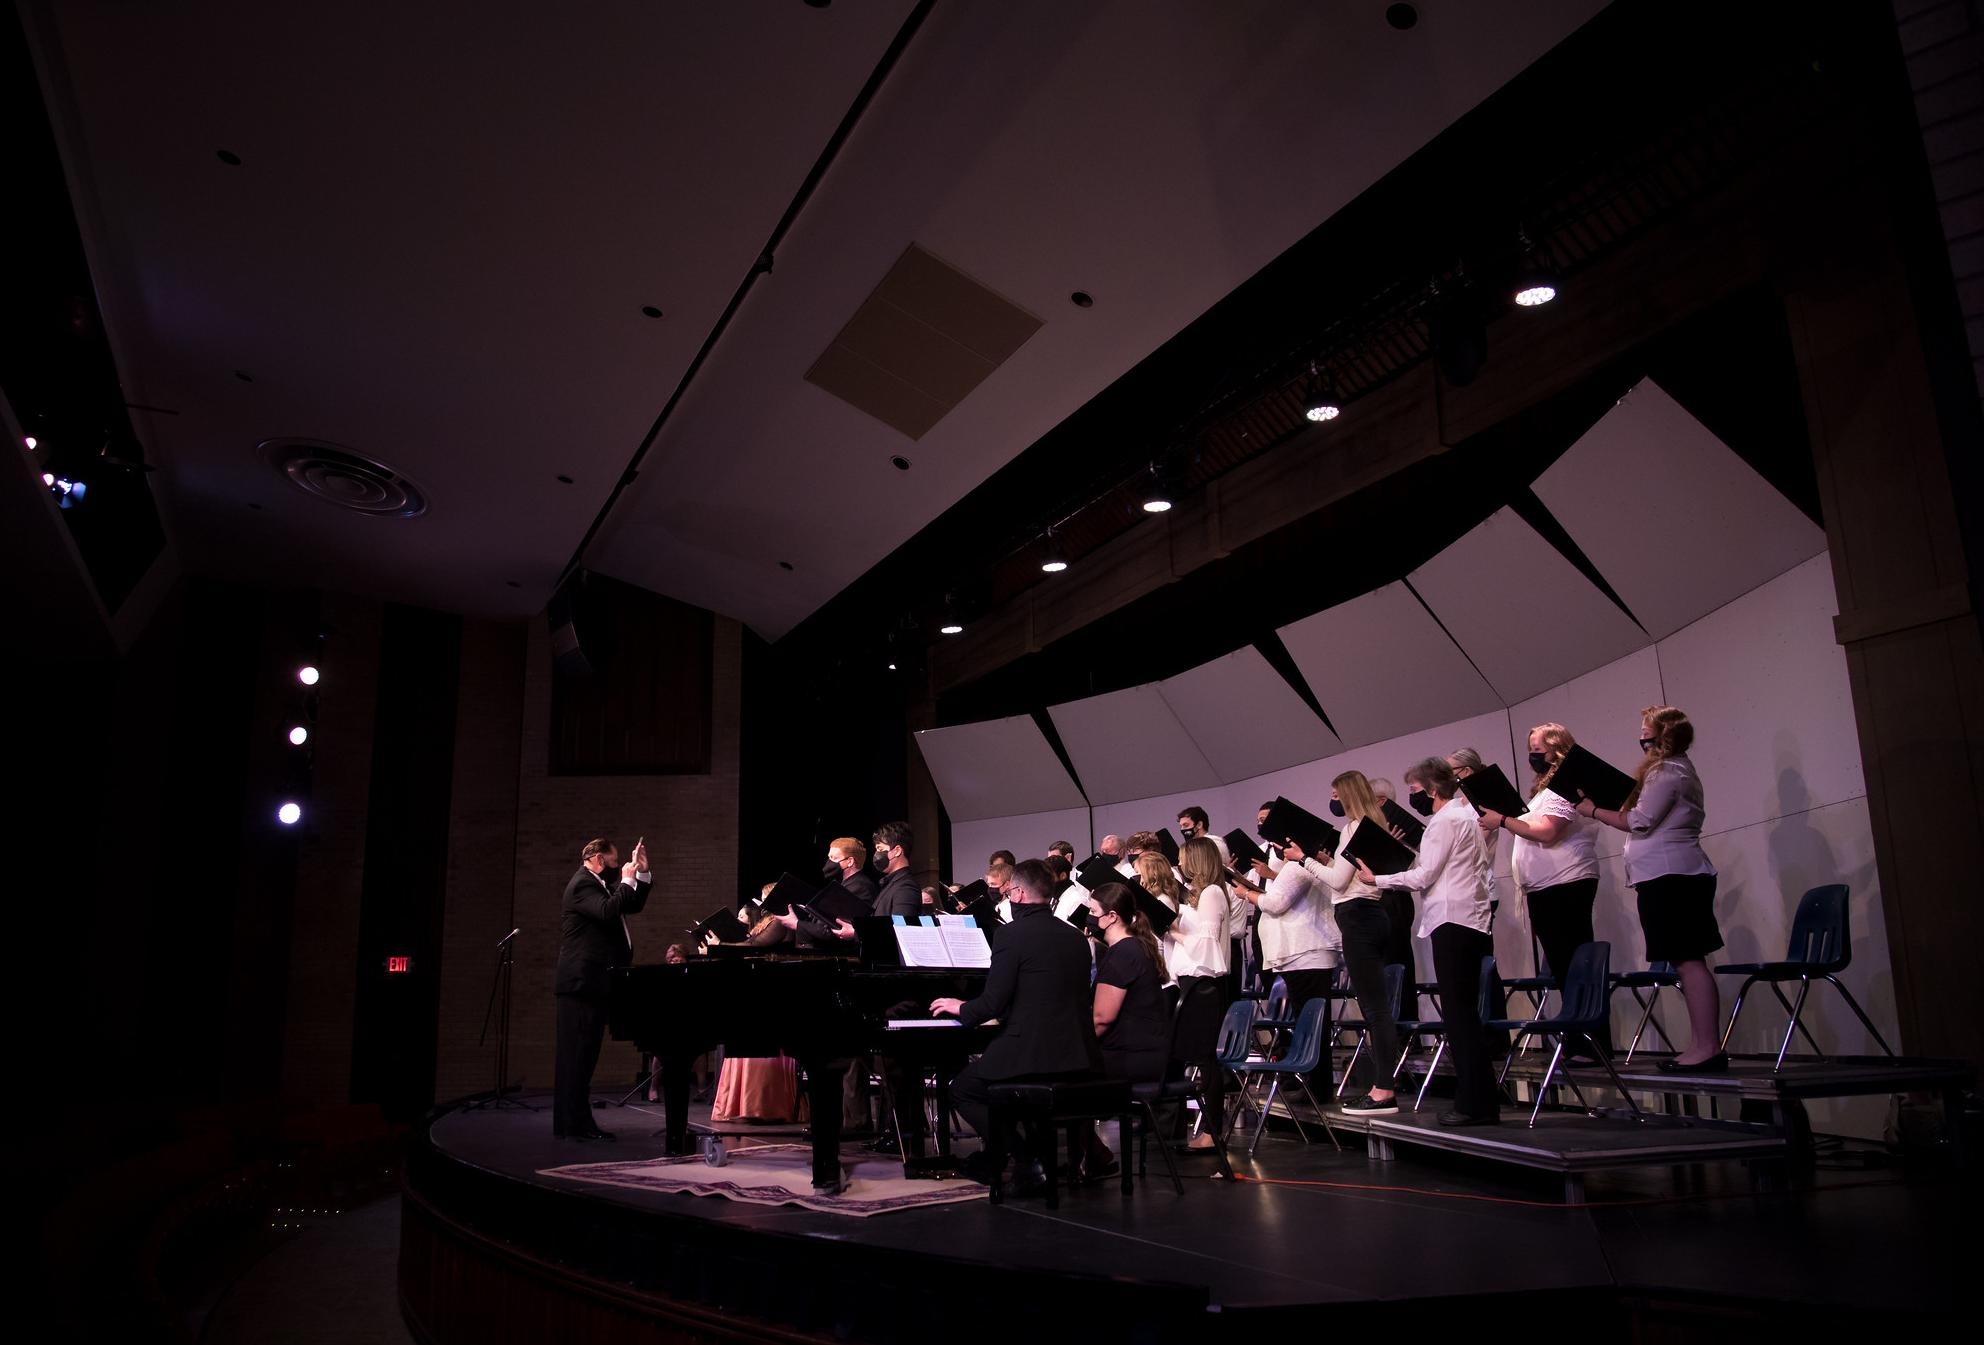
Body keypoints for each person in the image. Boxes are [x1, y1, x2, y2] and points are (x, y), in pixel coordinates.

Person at [931, 859, 1102, 1187]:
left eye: (1009, 893)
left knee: (963, 1090)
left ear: (1020, 893)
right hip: (1076, 1054)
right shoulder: (1076, 938)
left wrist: (961, 1007)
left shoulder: (1011, 935)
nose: (1008, 898)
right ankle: (1021, 1156)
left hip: (1030, 1052)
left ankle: (1026, 1157)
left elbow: (993, 1003)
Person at [1579, 706, 1726, 1071]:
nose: (1641, 737)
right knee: (1686, 960)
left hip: (1673, 877)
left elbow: (1641, 821)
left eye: (1646, 731)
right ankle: (1702, 1044)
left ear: (1662, 737)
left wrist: (1593, 810)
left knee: (1689, 960)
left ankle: (1706, 1046)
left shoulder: (1666, 772)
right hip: (1670, 875)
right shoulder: (1673, 770)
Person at [1356, 758, 1497, 1126]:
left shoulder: (1446, 820)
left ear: (1432, 791)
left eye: (1415, 792)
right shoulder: (1465, 817)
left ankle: (1474, 1105)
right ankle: (1479, 1101)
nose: (1413, 798)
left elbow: (1425, 875)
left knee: (1459, 1014)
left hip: (1453, 918)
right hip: (1470, 917)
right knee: (1463, 1013)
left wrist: (1379, 879)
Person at [1287, 772, 1400, 1115]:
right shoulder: (1374, 822)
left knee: (1375, 1009)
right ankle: (1383, 1086)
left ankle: (1384, 1090)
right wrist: (1326, 863)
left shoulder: (1354, 827)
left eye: (1335, 794)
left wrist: (1302, 859)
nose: (1333, 800)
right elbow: (1345, 877)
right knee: (1375, 1007)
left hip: (1359, 918)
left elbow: (1338, 883)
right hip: (1371, 914)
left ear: (1347, 794)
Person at [1474, 725, 1599, 990]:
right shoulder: (1544, 791)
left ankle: (1586, 1028)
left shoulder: (1566, 784)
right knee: (1563, 969)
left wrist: (1504, 820)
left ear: (1556, 751)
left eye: (1538, 750)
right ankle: (1575, 1027)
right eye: (1530, 750)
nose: (1532, 756)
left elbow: (1548, 832)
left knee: (1573, 968)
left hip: (1565, 886)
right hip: (1546, 889)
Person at [553, 837, 651, 1141]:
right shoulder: (583, 884)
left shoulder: (597, 884)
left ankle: (575, 1124)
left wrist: (642, 875)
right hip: (580, 983)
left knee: (584, 1056)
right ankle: (574, 1125)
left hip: (592, 983)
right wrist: (625, 878)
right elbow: (609, 911)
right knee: (577, 1056)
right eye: (612, 861)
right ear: (596, 859)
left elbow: (628, 904)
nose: (615, 866)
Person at [1079, 882, 1172, 1178]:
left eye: (1094, 912)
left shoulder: (1122, 954)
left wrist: (1072, 1045)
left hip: (1132, 1057)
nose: (1089, 917)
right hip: (1147, 1052)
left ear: (1113, 916)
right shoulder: (1136, 947)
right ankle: (1094, 1154)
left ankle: (1092, 1155)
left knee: (1060, 1074)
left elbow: (1102, 1018)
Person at [1167, 837, 1232, 1152]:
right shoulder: (1198, 893)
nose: (1180, 863)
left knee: (1206, 1059)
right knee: (1197, 1056)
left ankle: (1212, 1130)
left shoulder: (1213, 892)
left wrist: (1173, 932)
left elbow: (1206, 940)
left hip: (1204, 982)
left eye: (1183, 858)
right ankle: (1206, 1129)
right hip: (1191, 979)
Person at [1446, 747, 1502, 915]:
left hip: (1480, 890)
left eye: (1450, 772)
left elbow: (1476, 842)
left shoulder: (1486, 800)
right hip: (1456, 890)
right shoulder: (1454, 803)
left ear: (1466, 771)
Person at [871, 821, 921, 920]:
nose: (876, 854)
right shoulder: (892, 883)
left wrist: (856, 931)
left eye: (880, 849)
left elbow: (899, 929)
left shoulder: (906, 887)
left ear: (897, 851)